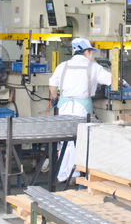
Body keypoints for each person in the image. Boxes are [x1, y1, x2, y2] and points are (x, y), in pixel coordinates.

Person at [48, 38, 113, 181]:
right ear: (87, 51)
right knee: (79, 139)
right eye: (91, 52)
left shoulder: (63, 66)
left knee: (65, 139)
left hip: (64, 107)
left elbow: (52, 86)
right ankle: (75, 173)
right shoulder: (93, 67)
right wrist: (123, 83)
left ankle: (63, 174)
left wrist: (54, 98)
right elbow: (111, 80)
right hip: (82, 108)